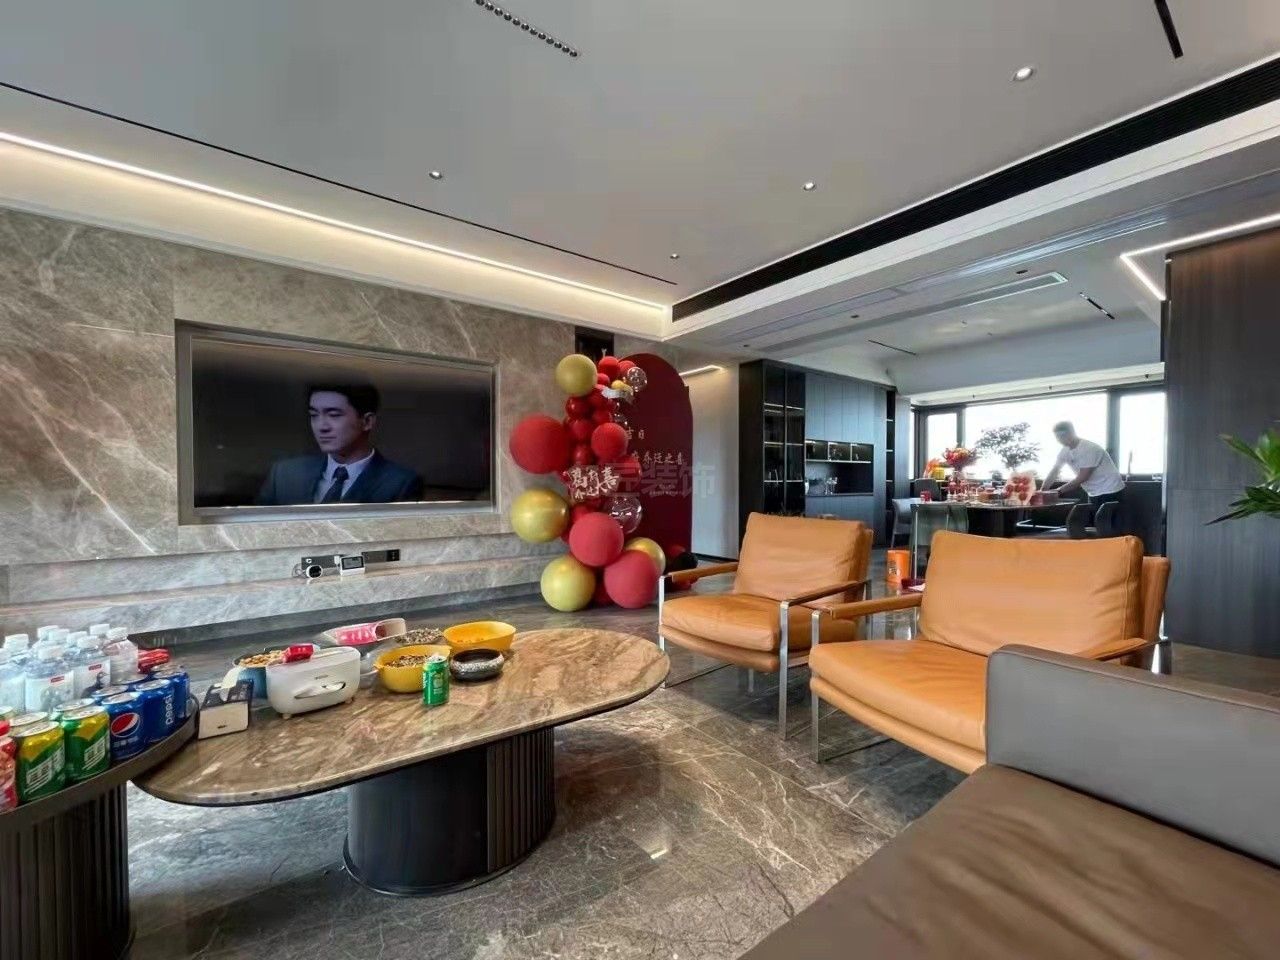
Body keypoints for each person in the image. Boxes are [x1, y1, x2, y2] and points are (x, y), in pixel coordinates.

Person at [256, 383, 423, 506]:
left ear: (367, 422)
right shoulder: (284, 474)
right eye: (314, 415)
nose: (321, 426)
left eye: (334, 415)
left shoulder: (401, 483)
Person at [1043, 421, 1125, 505]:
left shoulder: (1089, 449)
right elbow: (1055, 470)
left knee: (1104, 514)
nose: (1060, 439)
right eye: (1057, 437)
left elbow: (1083, 477)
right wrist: (1043, 491)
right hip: (1093, 492)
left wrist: (1058, 491)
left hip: (1111, 489)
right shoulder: (1064, 451)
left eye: (1063, 435)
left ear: (1072, 432)